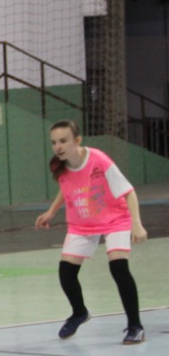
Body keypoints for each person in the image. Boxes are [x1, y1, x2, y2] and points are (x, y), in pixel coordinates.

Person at [34, 119, 147, 343]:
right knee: (66, 271)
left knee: (119, 268)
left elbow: (128, 192)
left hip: (115, 218)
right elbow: (66, 188)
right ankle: (79, 313)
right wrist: (51, 211)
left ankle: (135, 326)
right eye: (54, 142)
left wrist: (136, 223)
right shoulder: (60, 165)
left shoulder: (99, 160)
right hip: (82, 222)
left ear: (77, 140)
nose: (58, 146)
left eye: (63, 141)